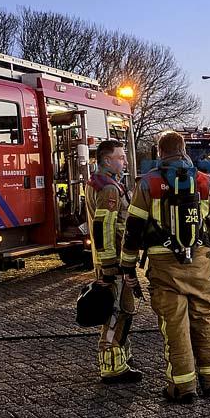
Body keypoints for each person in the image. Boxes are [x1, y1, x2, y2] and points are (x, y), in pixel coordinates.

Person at [121, 131, 210, 404]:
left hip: (164, 263)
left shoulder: (148, 183)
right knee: (204, 317)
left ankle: (183, 387)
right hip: (200, 261)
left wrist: (127, 265)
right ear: (184, 151)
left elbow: (132, 230)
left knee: (175, 324)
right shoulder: (206, 183)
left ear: (160, 153)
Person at [85, 139, 143, 383]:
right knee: (117, 311)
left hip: (114, 260)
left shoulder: (101, 183)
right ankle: (111, 364)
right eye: (121, 157)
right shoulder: (108, 188)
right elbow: (105, 227)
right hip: (114, 262)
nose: (126, 161)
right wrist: (110, 265)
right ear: (107, 160)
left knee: (124, 309)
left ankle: (121, 358)